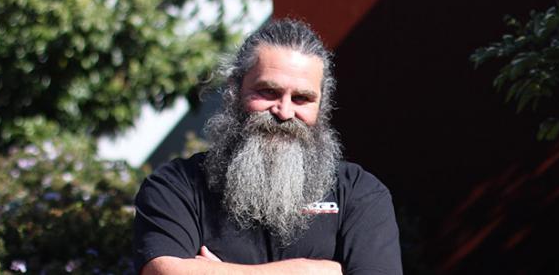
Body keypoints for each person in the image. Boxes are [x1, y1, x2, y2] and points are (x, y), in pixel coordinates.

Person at [133, 19, 402, 274]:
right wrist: (311, 271)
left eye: (302, 98)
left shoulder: (359, 193)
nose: (284, 112)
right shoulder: (177, 186)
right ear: (234, 91)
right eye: (268, 92)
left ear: (322, 105)